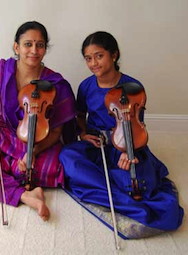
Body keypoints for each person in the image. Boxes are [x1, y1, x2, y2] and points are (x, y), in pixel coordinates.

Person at [59, 31, 184, 232]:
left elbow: (137, 127)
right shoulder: (85, 86)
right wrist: (82, 134)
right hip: (97, 143)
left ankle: (109, 186)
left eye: (99, 56)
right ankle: (114, 187)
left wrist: (128, 151)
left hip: (128, 142)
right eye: (88, 58)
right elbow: (80, 116)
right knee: (67, 155)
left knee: (140, 185)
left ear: (114, 55)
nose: (93, 63)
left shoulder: (134, 87)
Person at [0, 21, 76, 221]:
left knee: (58, 170)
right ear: (16, 47)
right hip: (4, 137)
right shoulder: (1, 72)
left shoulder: (56, 83)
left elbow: (55, 133)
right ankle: (26, 195)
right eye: (28, 44)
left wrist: (32, 153)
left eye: (40, 45)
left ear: (45, 48)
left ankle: (4, 171)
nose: (34, 50)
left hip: (38, 144)